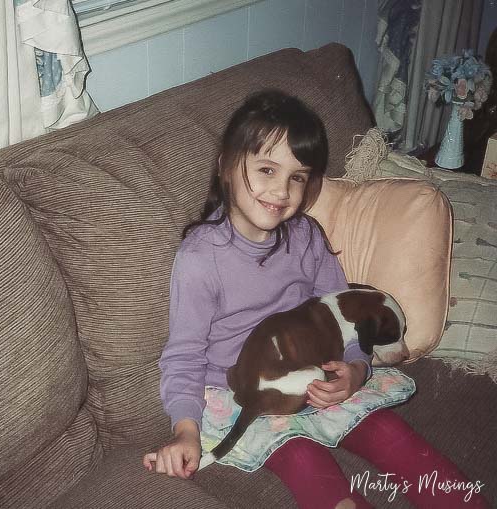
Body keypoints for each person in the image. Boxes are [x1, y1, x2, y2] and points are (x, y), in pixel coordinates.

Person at [142, 90, 488, 509]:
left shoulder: (305, 236)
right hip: (246, 394)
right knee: (305, 461)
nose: (282, 191)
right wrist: (185, 430)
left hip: (319, 374)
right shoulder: (199, 258)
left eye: (297, 176)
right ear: (225, 167)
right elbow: (183, 356)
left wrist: (357, 368)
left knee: (392, 435)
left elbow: (342, 311)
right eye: (267, 169)